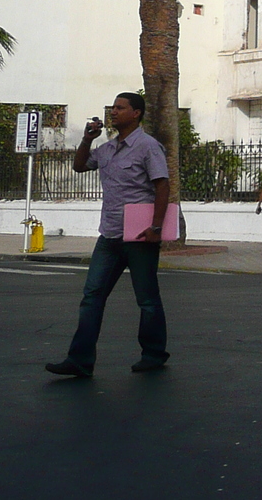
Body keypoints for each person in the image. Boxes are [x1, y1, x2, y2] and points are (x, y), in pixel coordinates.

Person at [46, 92, 170, 378]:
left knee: (147, 299)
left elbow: (162, 186)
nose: (113, 112)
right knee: (92, 297)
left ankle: (153, 354)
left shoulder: (148, 146)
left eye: (120, 108)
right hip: (110, 235)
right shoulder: (107, 149)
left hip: (139, 236)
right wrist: (88, 138)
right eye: (112, 108)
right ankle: (79, 360)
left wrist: (156, 227)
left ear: (136, 113)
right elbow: (79, 166)